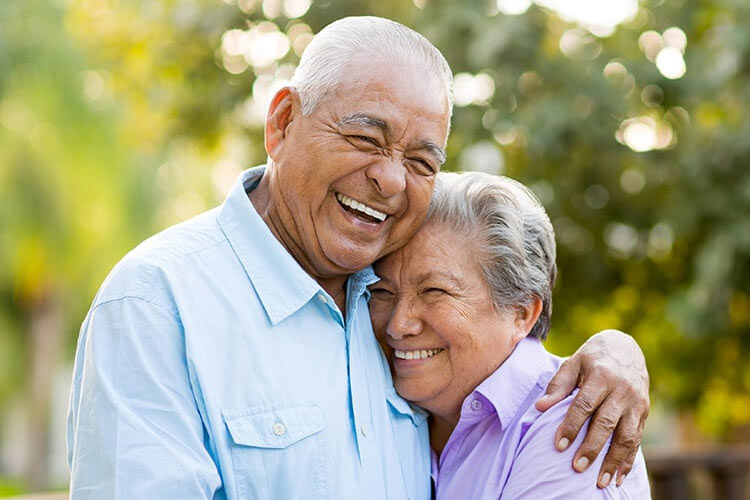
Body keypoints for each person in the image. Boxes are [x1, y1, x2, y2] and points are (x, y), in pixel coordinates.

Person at [67, 16, 649, 499]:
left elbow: (503, 351)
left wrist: (615, 351)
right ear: (283, 123)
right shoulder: (157, 304)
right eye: (366, 139)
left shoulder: (389, 304)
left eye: (422, 161)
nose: (391, 179)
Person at [370, 171, 652, 498]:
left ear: (521, 312)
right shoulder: (387, 402)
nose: (398, 325)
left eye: (434, 291)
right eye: (382, 291)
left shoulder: (571, 424)